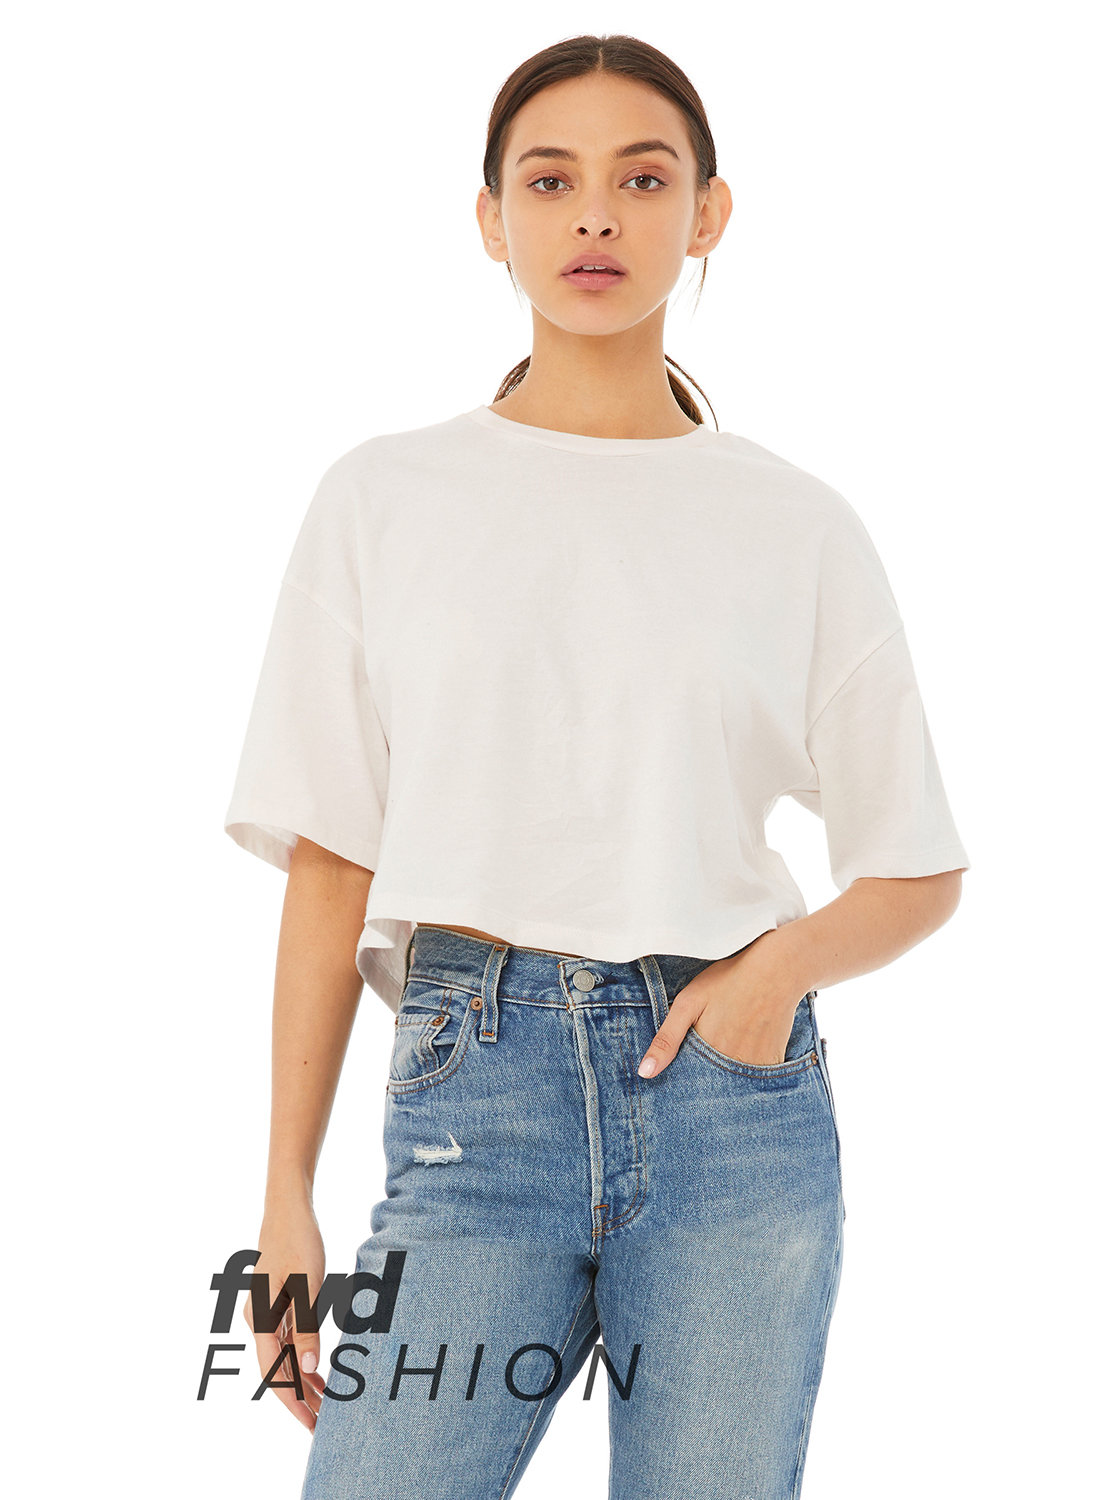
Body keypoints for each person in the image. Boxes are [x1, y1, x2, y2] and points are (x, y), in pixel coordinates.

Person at [223, 33, 970, 1500]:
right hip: (471, 1104)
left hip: (728, 1110)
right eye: (550, 181)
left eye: (643, 178)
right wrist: (284, 1199)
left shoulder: (796, 525)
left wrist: (768, 979)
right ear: (490, 219)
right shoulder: (384, 498)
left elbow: (916, 867)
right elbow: (332, 857)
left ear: (708, 213)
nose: (596, 219)